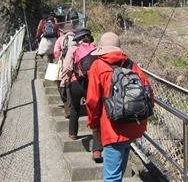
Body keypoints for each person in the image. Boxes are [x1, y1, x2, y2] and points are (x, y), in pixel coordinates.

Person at [86, 32, 154, 181]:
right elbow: (149, 94)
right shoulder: (132, 65)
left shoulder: (98, 65)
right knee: (119, 171)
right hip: (133, 125)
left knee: (111, 176)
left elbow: (92, 101)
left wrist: (94, 126)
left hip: (112, 127)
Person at [60, 27, 103, 162]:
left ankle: (73, 133)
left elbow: (67, 67)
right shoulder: (97, 49)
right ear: (90, 37)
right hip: (93, 84)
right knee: (95, 113)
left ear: (78, 38)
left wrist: (62, 83)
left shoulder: (73, 49)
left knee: (74, 107)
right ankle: (97, 150)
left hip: (76, 83)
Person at [54, 23, 75, 118]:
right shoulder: (78, 38)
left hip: (65, 65)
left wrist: (58, 60)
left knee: (66, 86)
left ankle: (68, 110)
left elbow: (56, 51)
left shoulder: (61, 39)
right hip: (76, 65)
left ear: (64, 31)